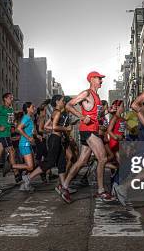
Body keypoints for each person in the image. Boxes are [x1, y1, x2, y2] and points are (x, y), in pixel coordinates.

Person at [59, 71, 113, 203]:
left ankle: (64, 186)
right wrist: (82, 117)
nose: (101, 81)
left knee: (82, 161)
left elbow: (97, 116)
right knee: (103, 158)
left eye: (101, 79)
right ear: (92, 79)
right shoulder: (86, 93)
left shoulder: (97, 97)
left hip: (92, 130)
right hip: (88, 131)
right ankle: (101, 191)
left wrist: (107, 111)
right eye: (99, 78)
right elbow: (68, 105)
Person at [20, 96, 70, 190]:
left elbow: (47, 126)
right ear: (57, 102)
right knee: (49, 162)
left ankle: (64, 186)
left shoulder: (55, 113)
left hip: (58, 139)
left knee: (61, 163)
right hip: (54, 139)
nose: (64, 102)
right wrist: (65, 128)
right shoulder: (57, 112)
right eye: (62, 101)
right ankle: (28, 178)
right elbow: (54, 127)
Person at [0, 93, 20, 182]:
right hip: (3, 134)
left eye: (12, 98)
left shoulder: (11, 109)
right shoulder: (1, 108)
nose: (11, 99)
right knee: (12, 151)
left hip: (7, 134)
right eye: (10, 98)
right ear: (5, 99)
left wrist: (13, 126)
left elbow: (10, 121)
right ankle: (16, 173)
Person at [13, 102, 36, 186]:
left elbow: (29, 130)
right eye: (32, 107)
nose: (34, 108)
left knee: (30, 166)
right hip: (24, 144)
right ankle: (12, 166)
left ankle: (25, 185)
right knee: (30, 167)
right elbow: (19, 128)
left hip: (27, 144)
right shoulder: (26, 118)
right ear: (27, 109)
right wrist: (28, 138)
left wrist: (35, 136)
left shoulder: (29, 118)